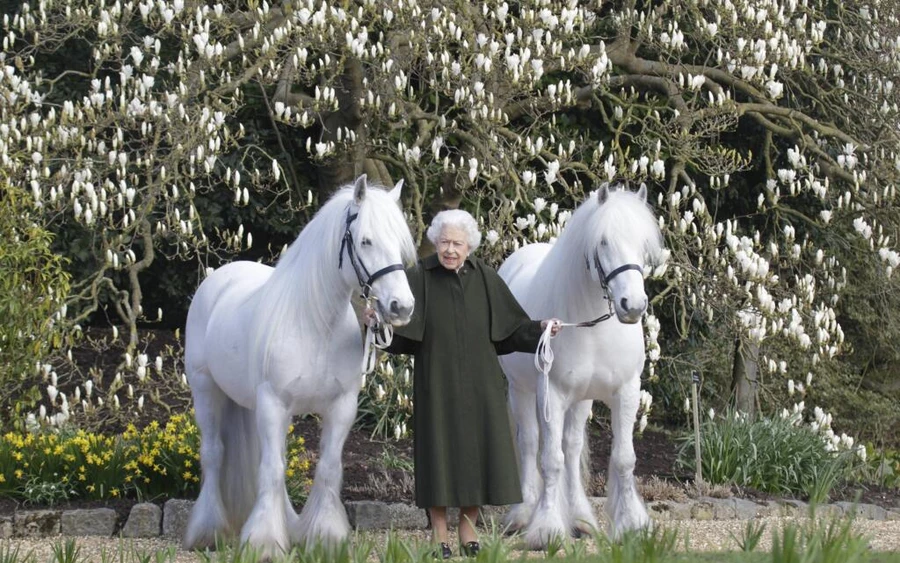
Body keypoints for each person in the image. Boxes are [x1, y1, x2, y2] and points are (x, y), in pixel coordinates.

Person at [366, 209, 561, 559]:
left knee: (477, 455)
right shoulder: (419, 277)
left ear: (469, 245)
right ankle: (439, 531)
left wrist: (543, 328)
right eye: (444, 242)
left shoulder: (486, 278)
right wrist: (376, 323)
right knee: (438, 455)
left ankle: (468, 527)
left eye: (457, 243)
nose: (450, 250)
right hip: (435, 383)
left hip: (481, 384)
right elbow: (399, 335)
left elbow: (511, 330)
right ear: (435, 243)